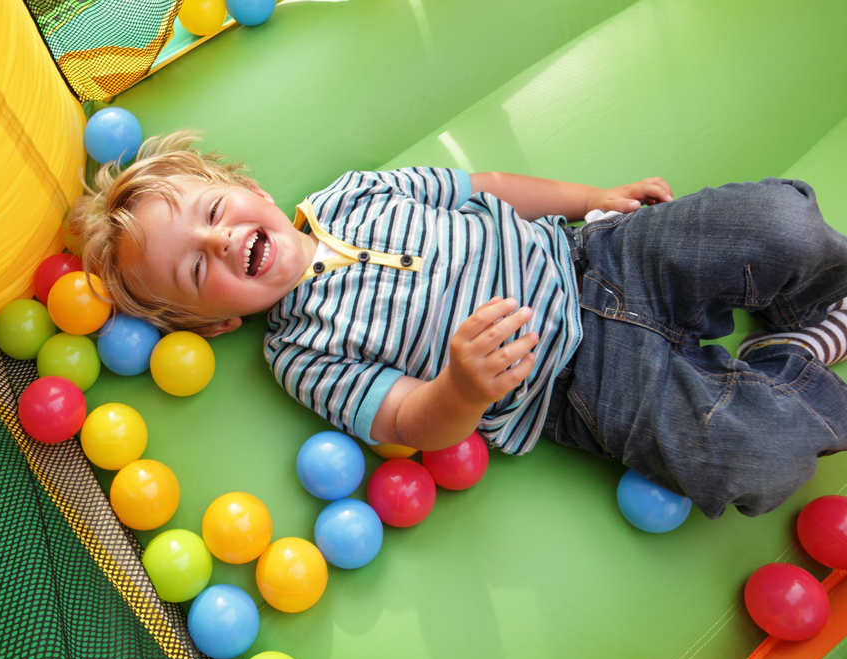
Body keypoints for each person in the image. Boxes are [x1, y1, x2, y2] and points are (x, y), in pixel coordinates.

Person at [71, 131, 847, 518]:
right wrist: (463, 386)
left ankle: (814, 296)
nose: (219, 240)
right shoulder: (298, 353)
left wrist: (593, 199)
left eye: (212, 212)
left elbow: (489, 186)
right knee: (755, 462)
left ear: (244, 188)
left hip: (602, 257)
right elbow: (411, 418)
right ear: (209, 324)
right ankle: (795, 353)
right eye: (196, 270)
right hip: (580, 385)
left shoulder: (352, 194)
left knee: (779, 223)